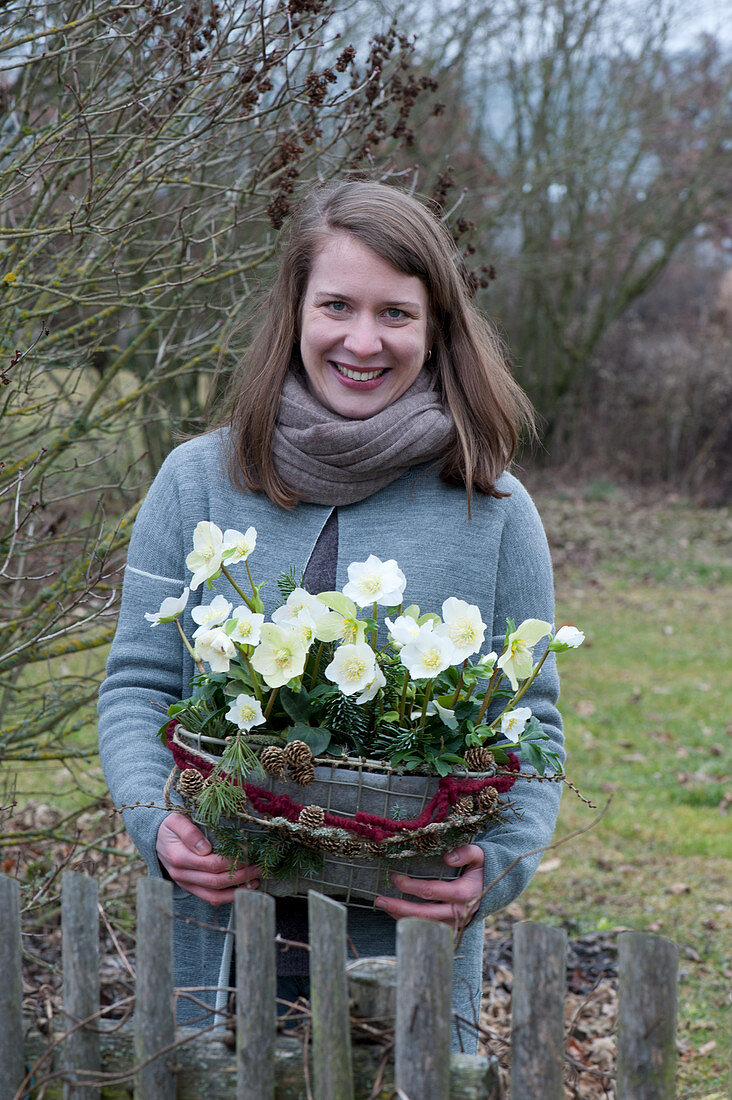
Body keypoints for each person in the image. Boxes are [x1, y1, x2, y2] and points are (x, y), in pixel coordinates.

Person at [98, 179, 563, 1053]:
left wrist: (491, 870)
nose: (362, 340)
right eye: (337, 305)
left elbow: (531, 724)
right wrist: (155, 824)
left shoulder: (494, 509)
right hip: (216, 937)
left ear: (435, 333)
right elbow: (138, 684)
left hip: (406, 957)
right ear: (296, 312)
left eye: (395, 313)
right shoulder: (196, 481)